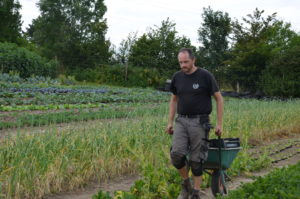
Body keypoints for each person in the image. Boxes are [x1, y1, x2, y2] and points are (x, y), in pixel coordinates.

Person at [166, 48, 223, 199]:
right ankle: (186, 185)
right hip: (182, 121)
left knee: (196, 160)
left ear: (193, 60)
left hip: (200, 121)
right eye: (180, 62)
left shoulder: (205, 76)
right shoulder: (177, 77)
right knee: (176, 155)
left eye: (186, 62)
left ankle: (196, 193)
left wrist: (219, 123)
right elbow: (173, 100)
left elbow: (219, 98)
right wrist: (170, 122)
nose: (183, 65)